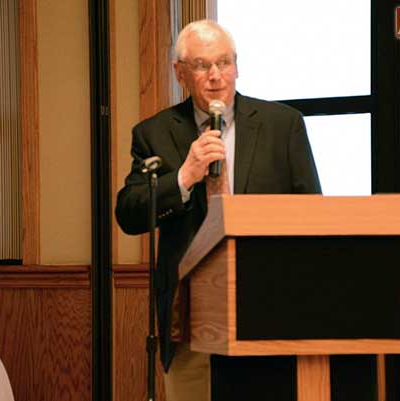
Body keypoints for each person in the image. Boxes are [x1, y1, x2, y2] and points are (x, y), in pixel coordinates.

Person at [115, 19, 321, 401]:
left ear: (237, 66)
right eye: (201, 65)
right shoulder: (153, 133)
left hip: (267, 305)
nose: (215, 77)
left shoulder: (282, 125)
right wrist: (183, 178)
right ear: (180, 73)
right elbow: (128, 213)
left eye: (223, 63)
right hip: (189, 315)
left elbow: (311, 212)